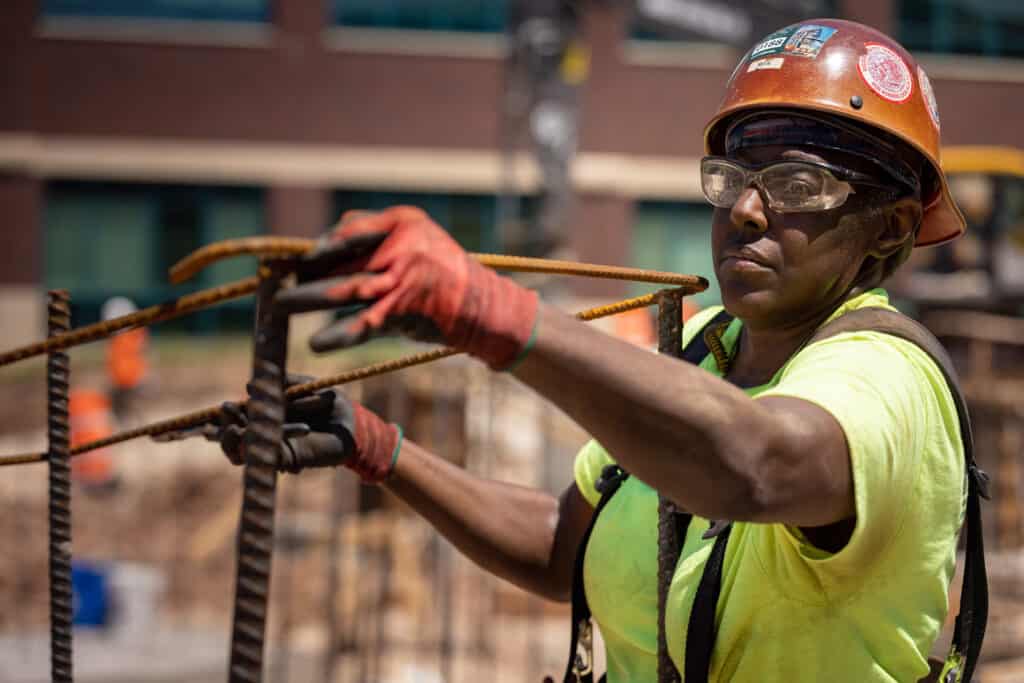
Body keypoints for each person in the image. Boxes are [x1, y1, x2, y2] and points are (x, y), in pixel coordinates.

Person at [174, 19, 986, 683]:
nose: (745, 208)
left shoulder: (889, 378)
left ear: (889, 229)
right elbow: (568, 546)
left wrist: (488, 312)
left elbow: (757, 463)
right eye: (731, 175)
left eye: (799, 186)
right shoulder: (703, 351)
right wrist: (381, 448)